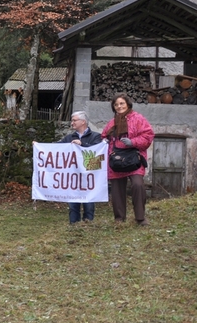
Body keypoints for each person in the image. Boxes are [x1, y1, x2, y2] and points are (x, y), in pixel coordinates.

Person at [101, 93, 154, 225]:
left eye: (121, 103)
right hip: (116, 159)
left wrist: (133, 142)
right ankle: (119, 218)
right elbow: (103, 136)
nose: (119, 106)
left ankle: (140, 218)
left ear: (128, 104)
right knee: (117, 190)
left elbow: (148, 135)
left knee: (138, 185)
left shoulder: (138, 119)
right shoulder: (112, 123)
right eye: (116, 104)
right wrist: (104, 141)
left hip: (134, 158)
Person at [59, 111, 103, 224]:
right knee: (73, 205)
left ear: (83, 122)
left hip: (89, 178)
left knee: (89, 205)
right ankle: (74, 226)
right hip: (74, 178)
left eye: (74, 120)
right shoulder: (69, 138)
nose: (72, 122)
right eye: (72, 120)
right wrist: (39, 146)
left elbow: (99, 152)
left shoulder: (96, 136)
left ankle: (88, 226)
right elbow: (56, 148)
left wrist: (82, 145)